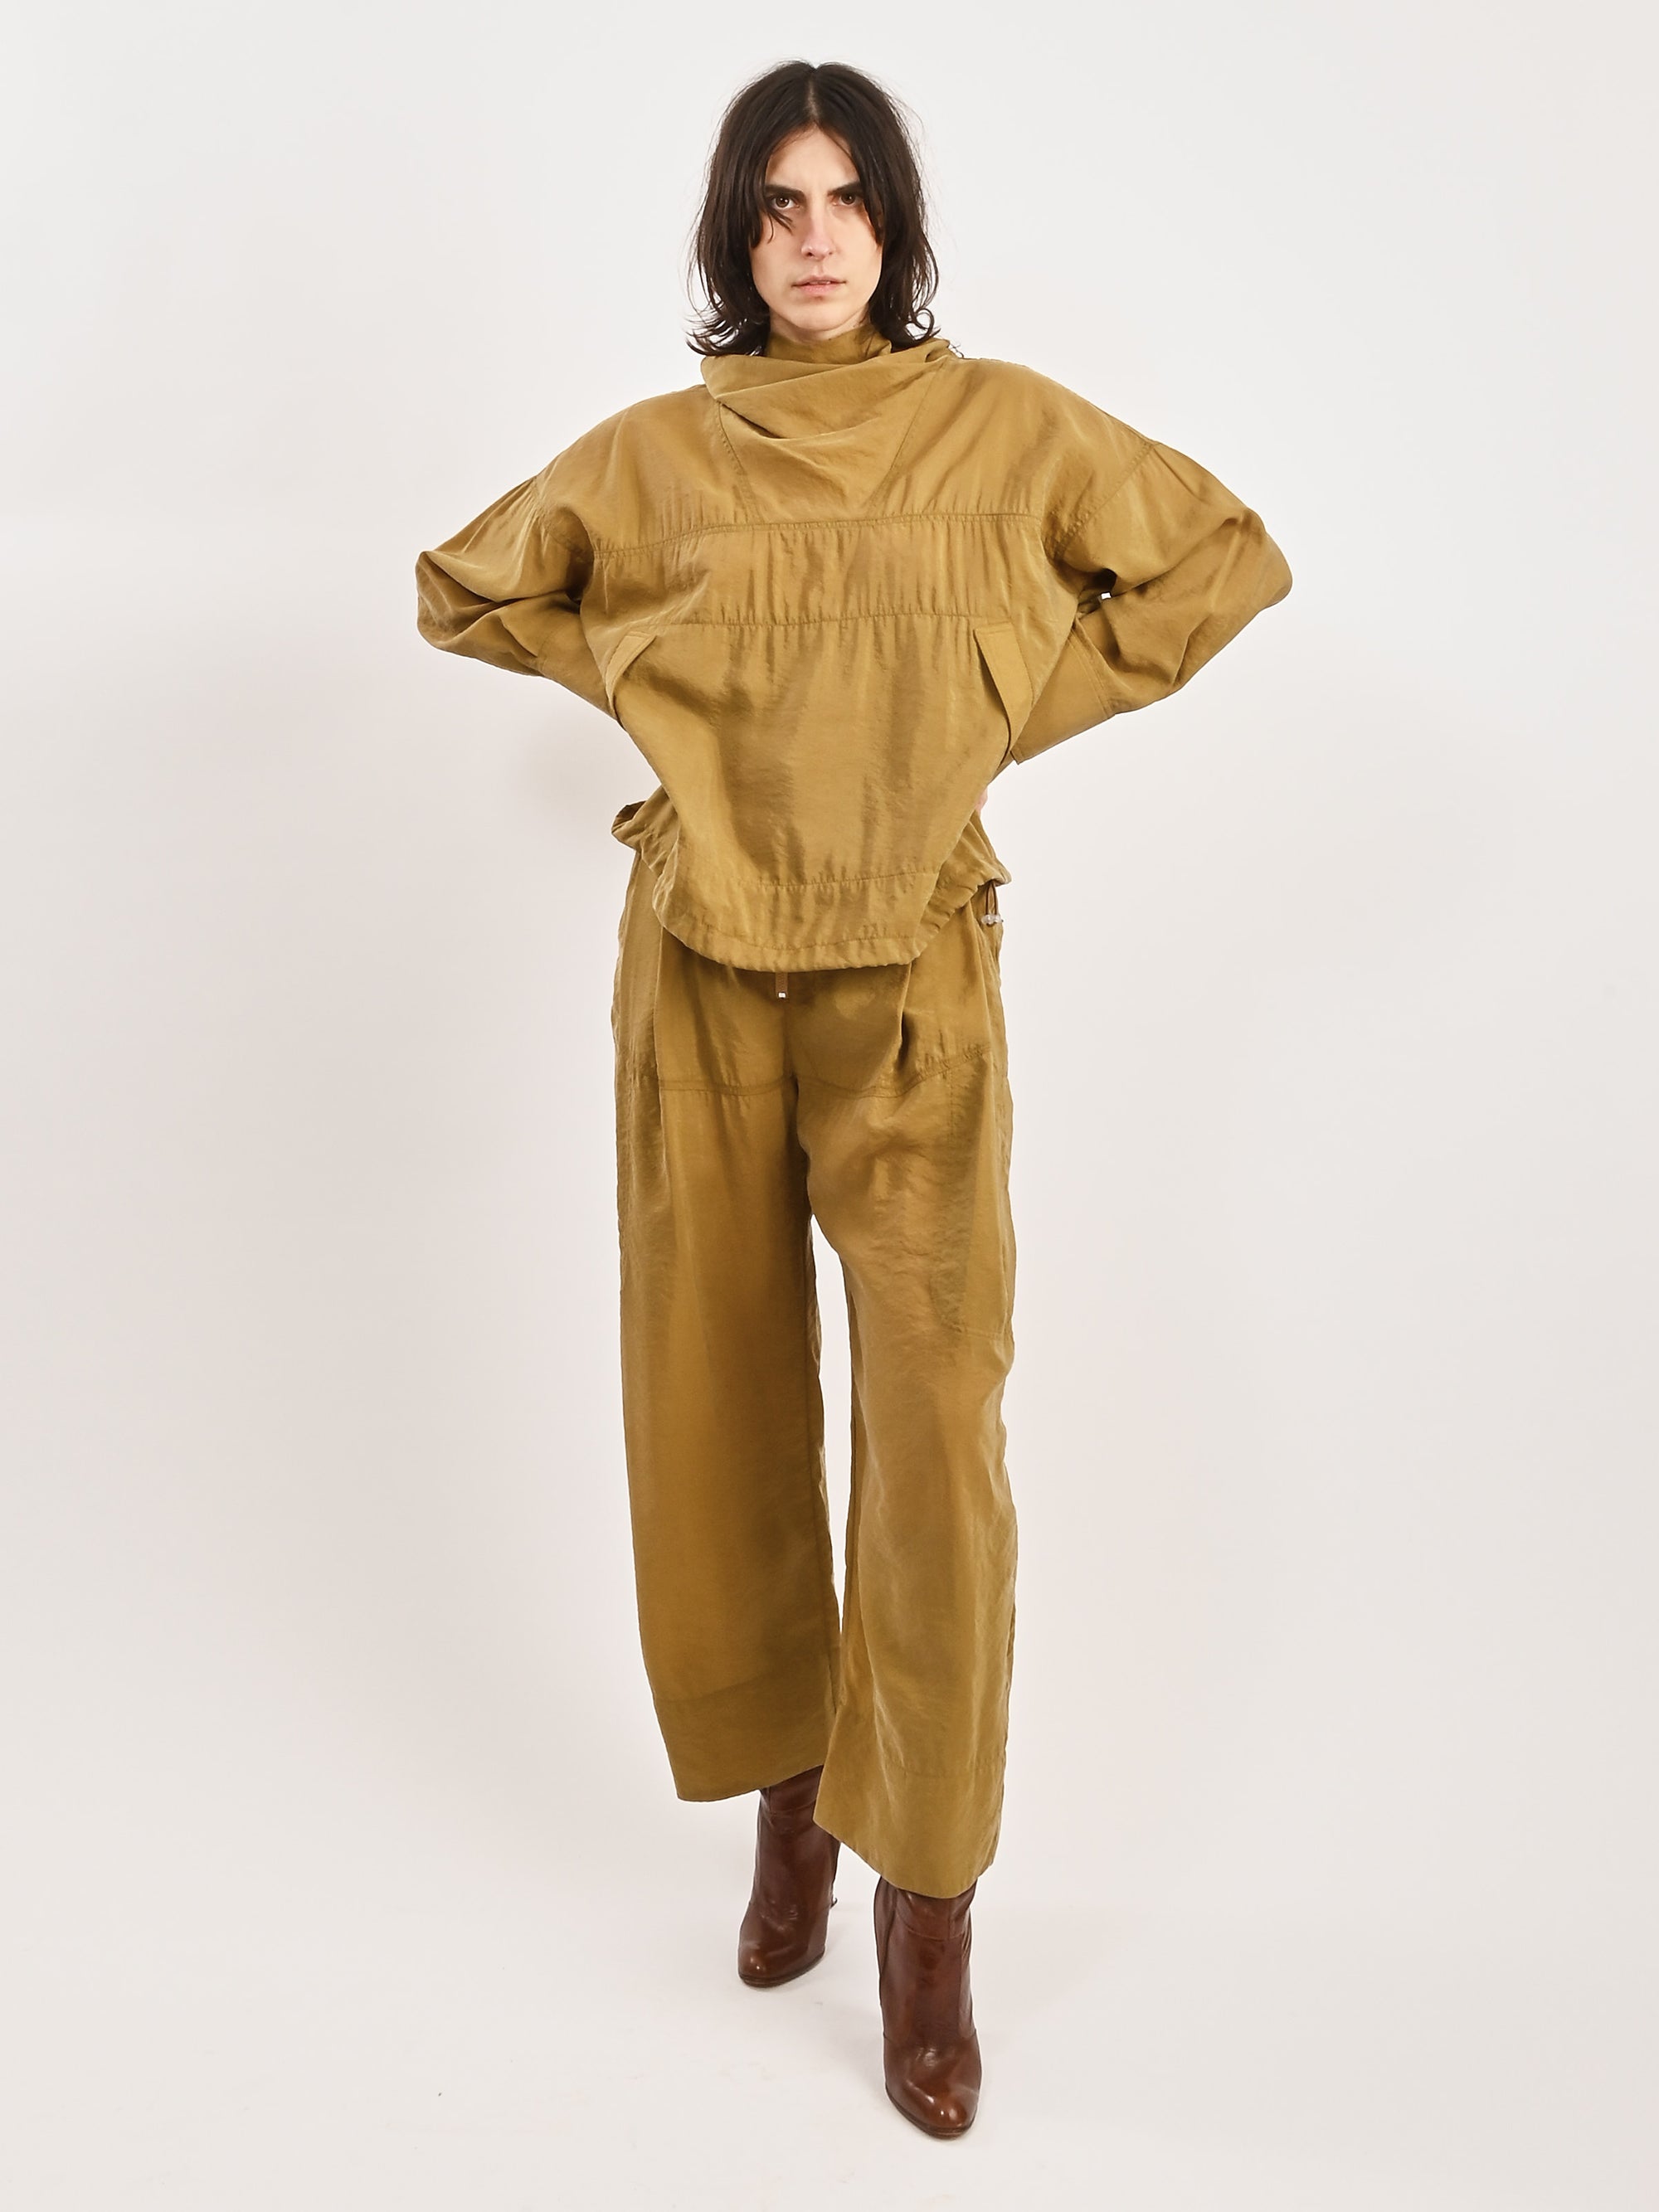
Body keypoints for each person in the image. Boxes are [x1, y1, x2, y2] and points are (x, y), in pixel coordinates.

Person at [415, 58, 1291, 2137]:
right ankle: (789, 1807)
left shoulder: (1009, 431)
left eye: (847, 199)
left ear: (896, 224)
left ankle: (929, 1904)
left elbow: (1219, 560)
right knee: (711, 1413)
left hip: (914, 981)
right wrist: (656, 686)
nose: (813, 238)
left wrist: (999, 709)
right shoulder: (651, 456)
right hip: (697, 972)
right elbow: (468, 584)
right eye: (775, 203)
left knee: (935, 1454)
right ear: (733, 234)